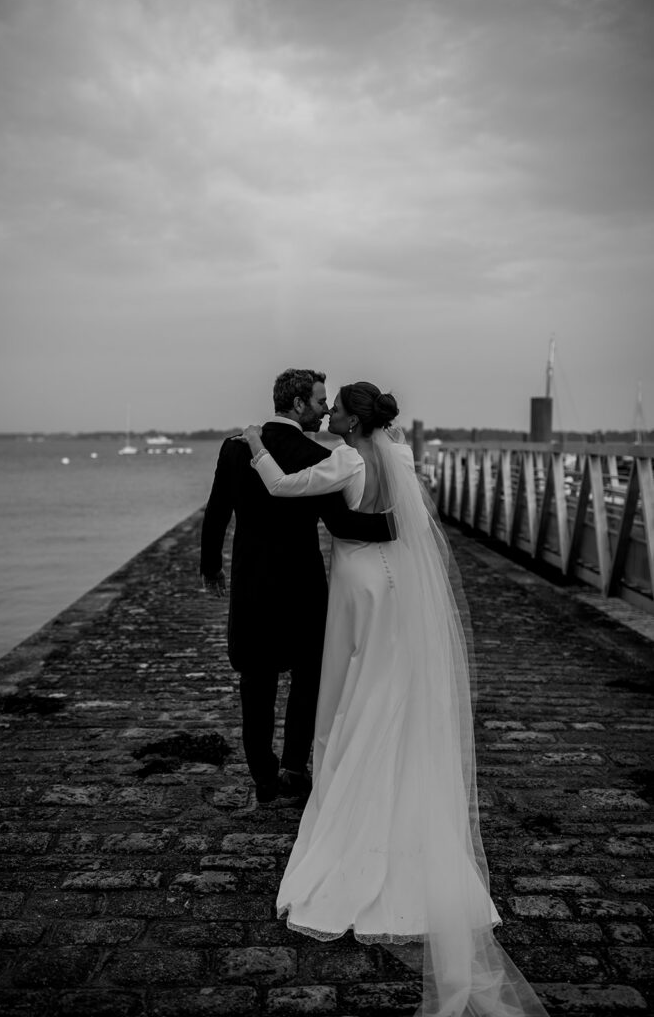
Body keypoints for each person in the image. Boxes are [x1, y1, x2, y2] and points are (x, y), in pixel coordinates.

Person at [241, 381, 549, 1017]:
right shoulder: (400, 458)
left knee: (348, 681)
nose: (329, 414)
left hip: (355, 576)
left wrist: (254, 445)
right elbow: (401, 524)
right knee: (387, 681)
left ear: (351, 418)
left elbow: (282, 487)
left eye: (336, 409)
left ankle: (346, 787)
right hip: (395, 584)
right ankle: (396, 781)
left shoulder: (347, 460)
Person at [199, 369, 394, 805]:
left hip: (252, 585)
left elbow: (217, 513)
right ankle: (292, 767)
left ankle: (264, 778)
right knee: (308, 679)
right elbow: (341, 524)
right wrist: (400, 526)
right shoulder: (313, 453)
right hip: (303, 587)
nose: (326, 409)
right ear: (300, 404)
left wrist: (211, 566)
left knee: (257, 683)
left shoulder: (234, 449)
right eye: (321, 401)